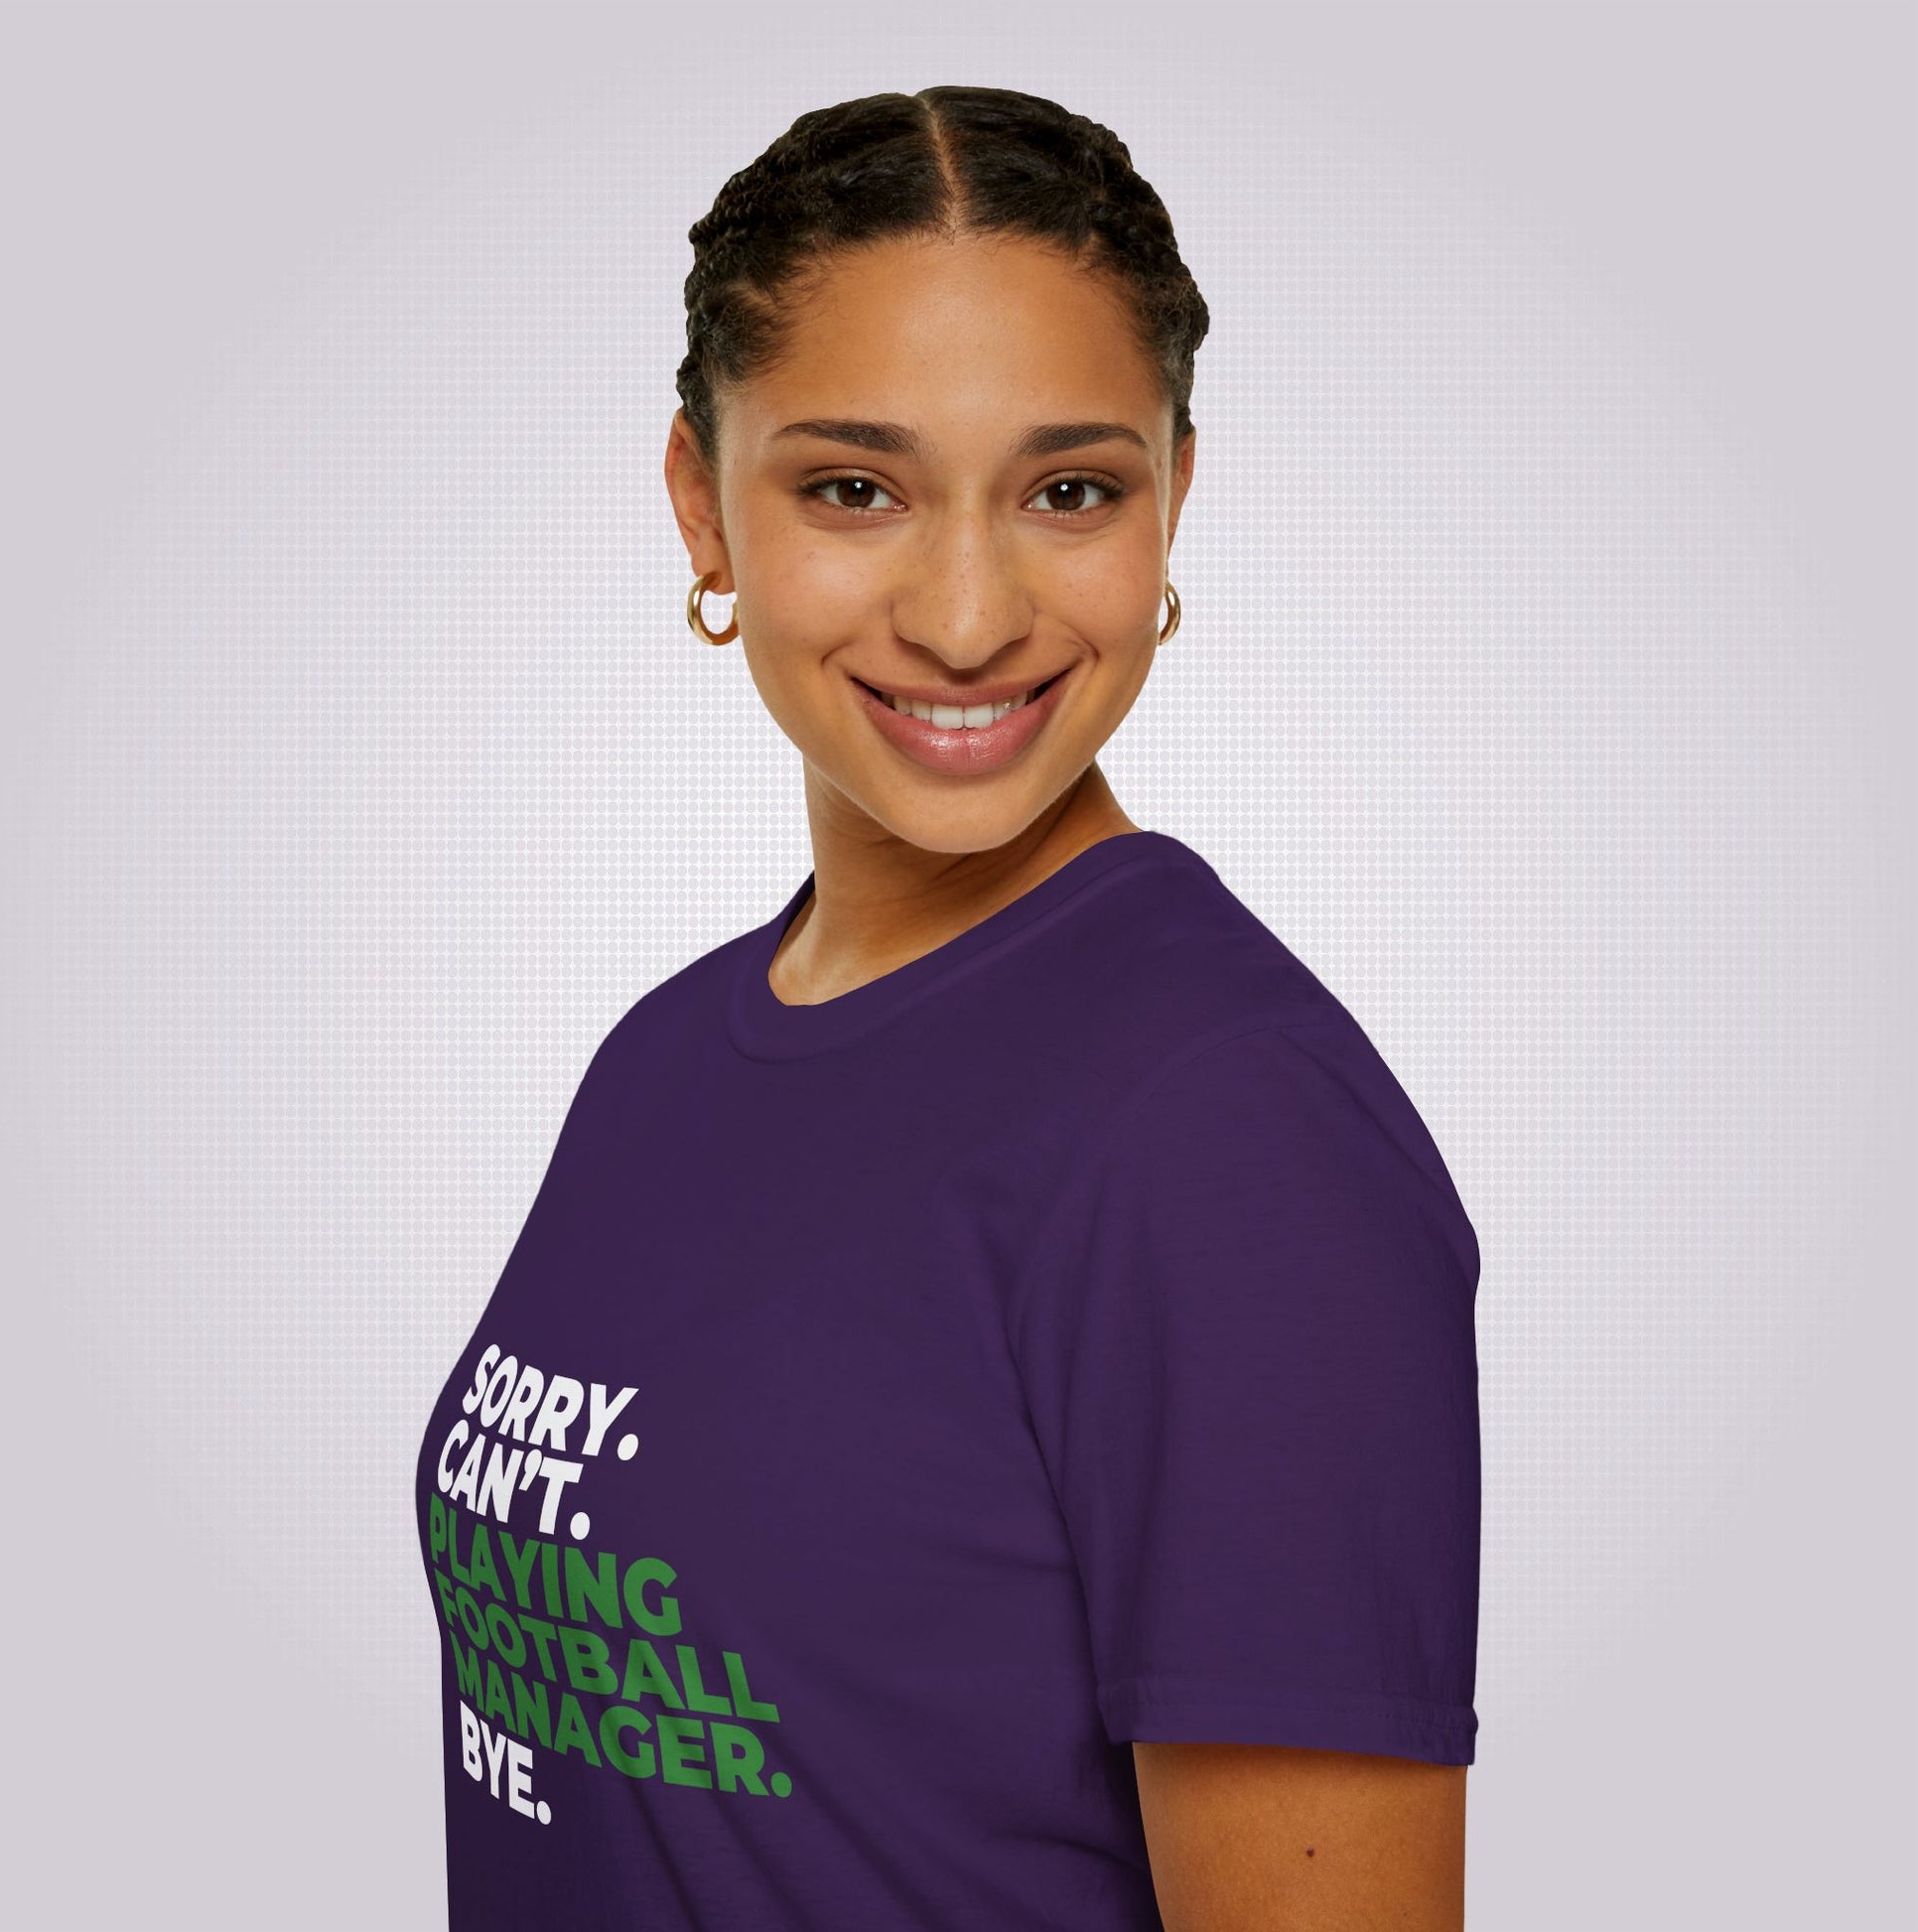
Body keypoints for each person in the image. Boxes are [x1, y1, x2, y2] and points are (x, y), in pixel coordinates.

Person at [415, 84, 1481, 1932]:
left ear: (1174, 498)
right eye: (853, 487)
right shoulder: (666, 1056)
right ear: (701, 500)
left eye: (1070, 490)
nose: (971, 613)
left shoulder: (1229, 1136)